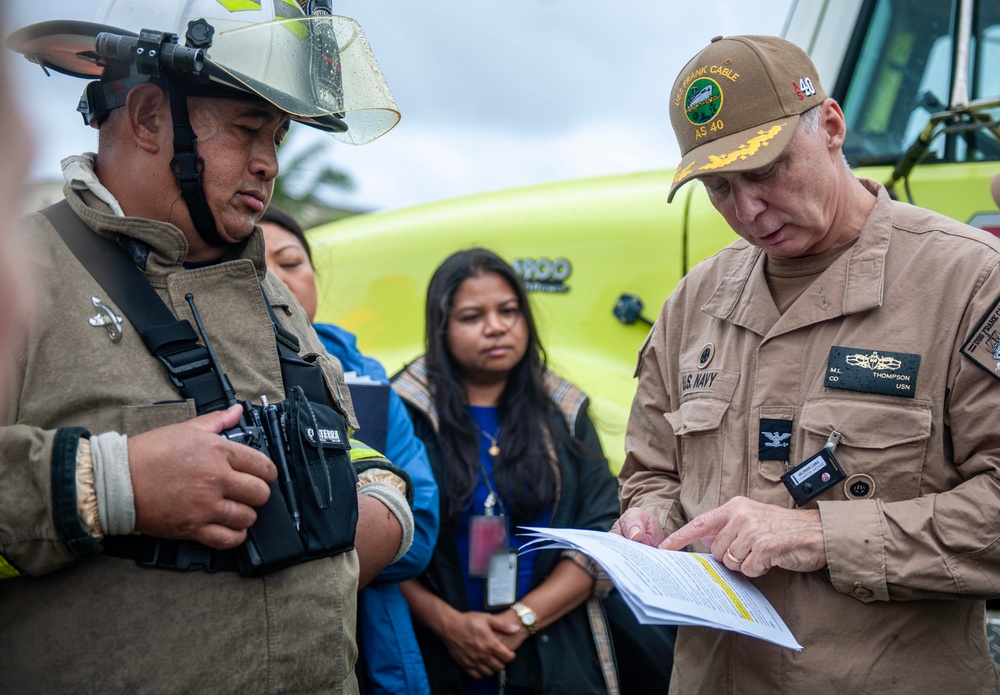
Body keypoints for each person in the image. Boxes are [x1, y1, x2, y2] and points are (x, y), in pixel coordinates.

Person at [0, 3, 413, 692]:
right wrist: (115, 483)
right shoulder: (22, 275)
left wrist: (381, 495)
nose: (269, 164)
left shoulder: (268, 292)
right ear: (149, 118)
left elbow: (335, 443)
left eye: (278, 136)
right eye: (250, 130)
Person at [613, 34, 1000, 693]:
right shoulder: (694, 303)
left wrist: (819, 534)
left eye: (765, 170)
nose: (747, 210)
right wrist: (649, 520)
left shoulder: (967, 283)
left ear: (830, 126)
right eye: (718, 188)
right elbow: (651, 471)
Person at [392, 248, 674, 694]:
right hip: (440, 650)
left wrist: (521, 619)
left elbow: (600, 531)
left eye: (509, 311)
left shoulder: (564, 408)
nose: (497, 326)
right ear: (441, 328)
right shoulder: (404, 409)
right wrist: (451, 626)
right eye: (471, 316)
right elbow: (383, 538)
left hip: (556, 648)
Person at [260, 204, 439, 695]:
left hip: (376, 651)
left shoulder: (370, 382)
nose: (277, 277)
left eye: (292, 262)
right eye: (257, 260)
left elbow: (418, 535)